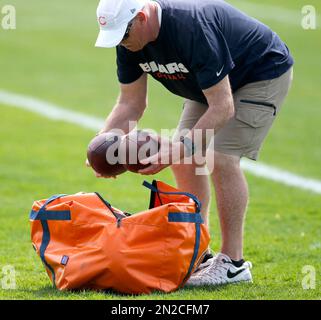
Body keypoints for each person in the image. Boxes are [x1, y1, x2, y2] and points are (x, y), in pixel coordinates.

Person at [91, 0, 294, 286]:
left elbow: (222, 106)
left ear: (142, 16)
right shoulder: (127, 40)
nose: (121, 43)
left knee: (220, 157)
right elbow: (130, 104)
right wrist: (102, 145)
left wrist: (177, 148)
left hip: (259, 72)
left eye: (123, 34)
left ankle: (233, 264)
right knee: (186, 157)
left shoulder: (190, 26)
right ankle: (200, 251)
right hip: (210, 84)